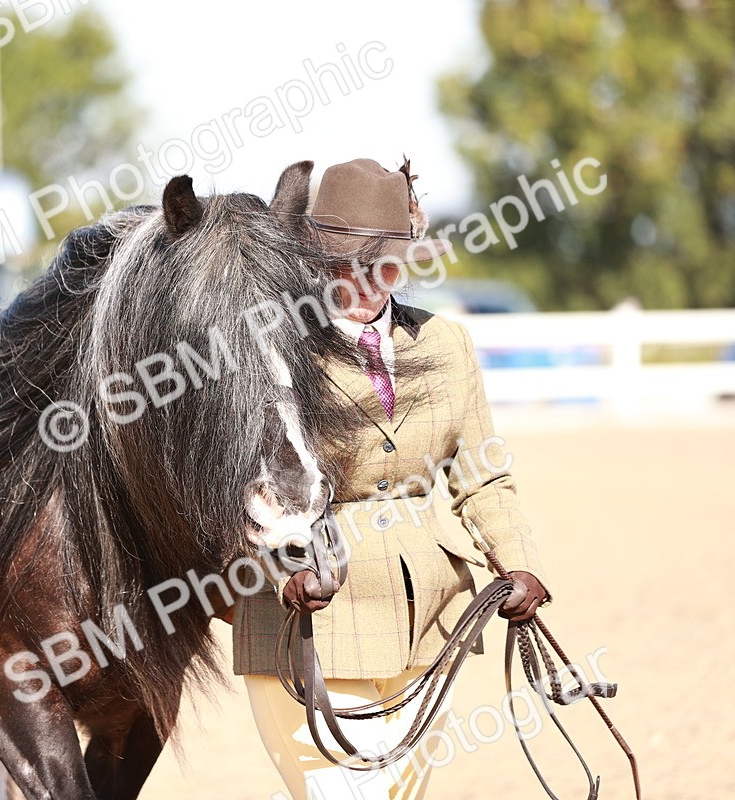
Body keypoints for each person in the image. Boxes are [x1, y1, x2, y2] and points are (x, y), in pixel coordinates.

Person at [232, 157, 551, 800]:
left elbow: (483, 476)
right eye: (342, 264)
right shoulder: (269, 351)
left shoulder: (447, 345)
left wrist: (519, 562)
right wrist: (280, 571)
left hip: (428, 624)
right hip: (312, 618)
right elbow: (236, 487)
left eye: (382, 265)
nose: (362, 282)